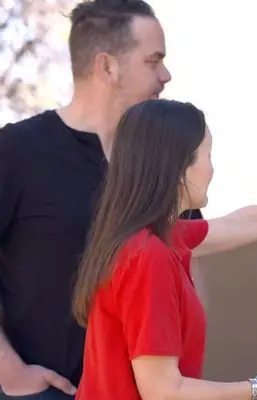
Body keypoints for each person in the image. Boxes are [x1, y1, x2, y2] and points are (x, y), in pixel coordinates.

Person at [70, 99, 257, 399]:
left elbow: (241, 223)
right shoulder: (148, 256)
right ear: (180, 168)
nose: (212, 169)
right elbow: (163, 391)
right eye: (208, 155)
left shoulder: (152, 241)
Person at [0, 0, 181, 398]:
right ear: (107, 66)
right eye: (153, 61)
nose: (166, 75)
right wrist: (9, 371)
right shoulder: (17, 150)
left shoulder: (159, 166)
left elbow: (195, 248)